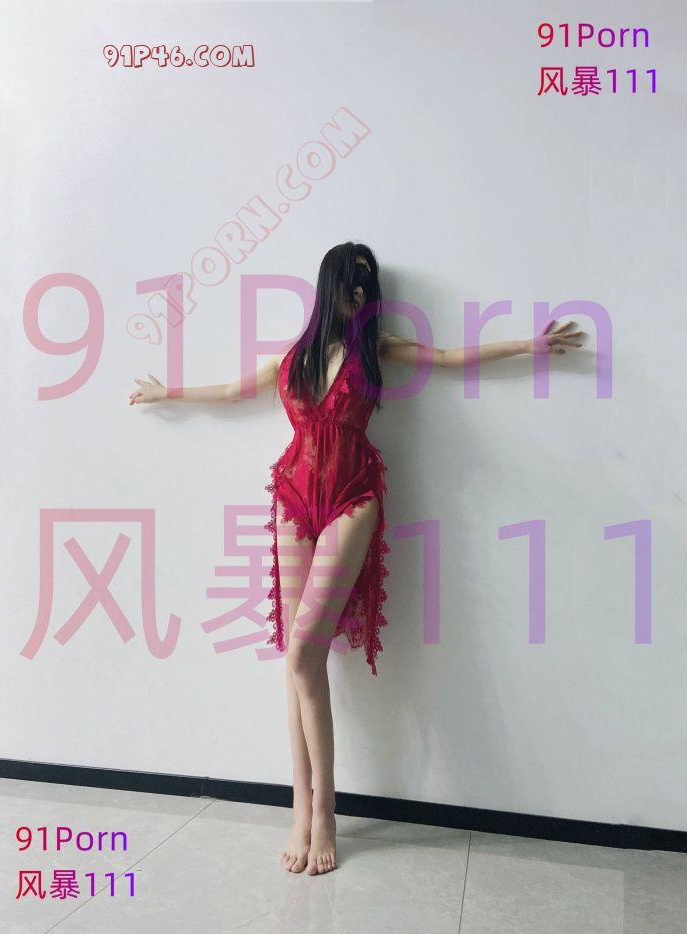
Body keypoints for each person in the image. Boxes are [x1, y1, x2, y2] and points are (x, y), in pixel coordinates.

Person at [129, 242, 585, 876]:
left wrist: (527, 346)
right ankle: (299, 804)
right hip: (294, 496)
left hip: (351, 497)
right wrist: (167, 393)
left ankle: (325, 812)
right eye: (353, 283)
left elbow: (448, 358)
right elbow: (233, 391)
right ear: (332, 286)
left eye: (369, 286)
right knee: (296, 658)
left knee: (301, 654)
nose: (362, 295)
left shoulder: (379, 348)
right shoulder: (294, 356)